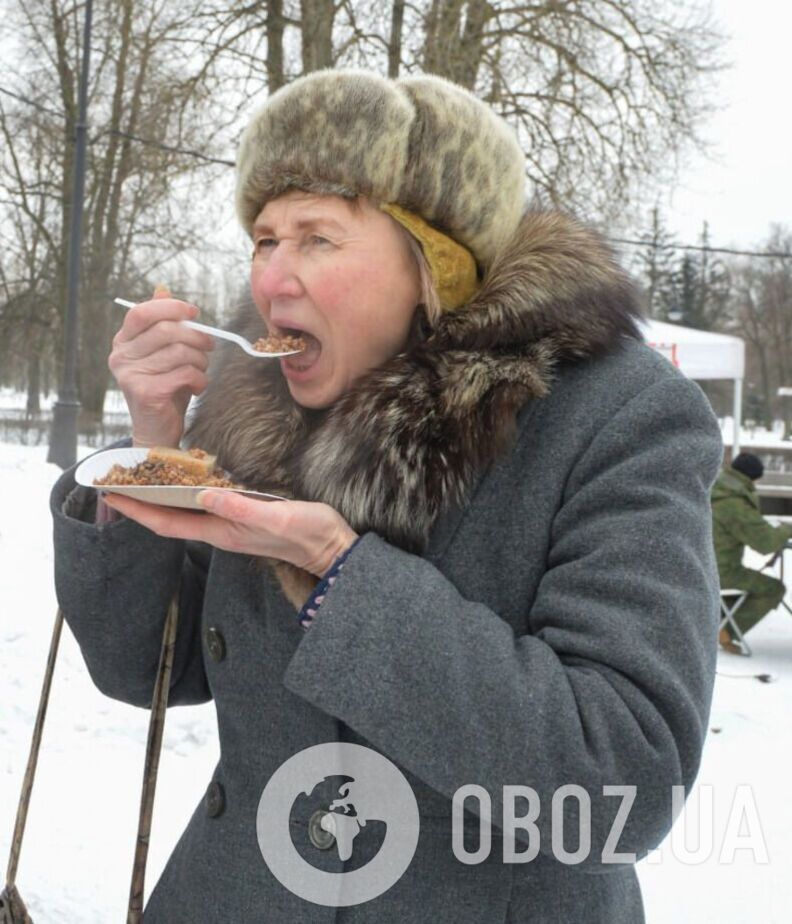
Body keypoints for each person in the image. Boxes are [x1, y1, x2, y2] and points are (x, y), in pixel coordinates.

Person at [52, 70, 720, 919]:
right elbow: (145, 668)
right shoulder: (252, 407)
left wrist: (336, 572)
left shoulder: (617, 416)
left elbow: (625, 777)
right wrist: (154, 447)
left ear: (434, 264)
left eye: (318, 238)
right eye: (264, 239)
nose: (271, 280)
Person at [712, 452, 792, 653]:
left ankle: (714, 621)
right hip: (721, 573)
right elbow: (765, 543)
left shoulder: (716, 490)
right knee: (774, 588)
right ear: (751, 477)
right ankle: (726, 630)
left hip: (702, 566)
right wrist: (787, 528)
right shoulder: (734, 503)